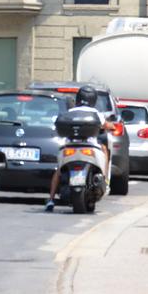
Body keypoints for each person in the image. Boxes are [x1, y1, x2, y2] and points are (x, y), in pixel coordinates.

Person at [45, 84, 111, 212]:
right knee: (104, 150)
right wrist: (111, 125)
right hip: (91, 147)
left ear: (78, 98)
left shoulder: (70, 112)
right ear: (93, 99)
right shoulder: (96, 113)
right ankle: (105, 179)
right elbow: (107, 125)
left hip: (69, 147)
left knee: (58, 170)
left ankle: (51, 199)